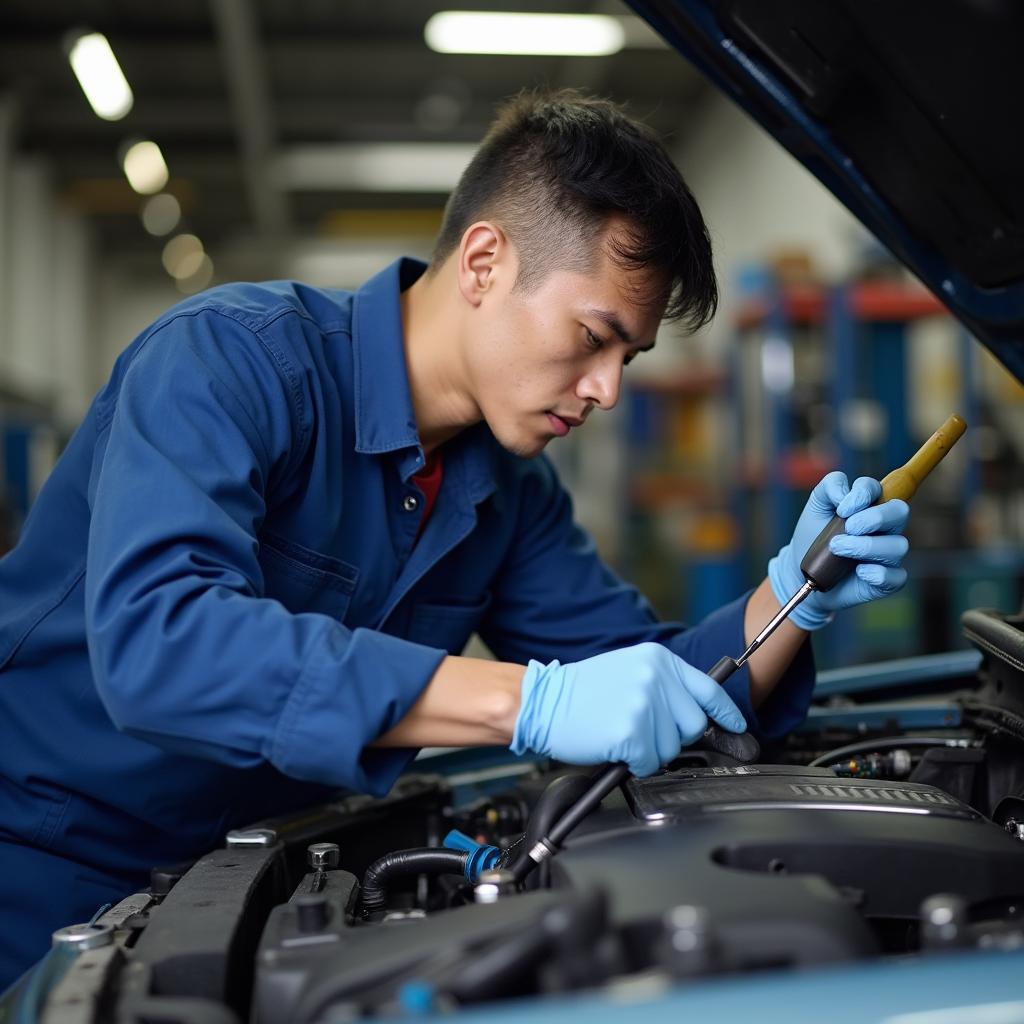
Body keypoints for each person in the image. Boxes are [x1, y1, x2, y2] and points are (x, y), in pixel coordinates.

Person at [0, 89, 909, 985]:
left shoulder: (511, 491)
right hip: (41, 867)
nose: (607, 391)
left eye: (625, 359)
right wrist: (527, 702)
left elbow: (653, 688)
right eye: (592, 337)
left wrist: (795, 595)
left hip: (260, 888)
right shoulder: (229, 361)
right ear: (483, 263)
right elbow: (165, 643)